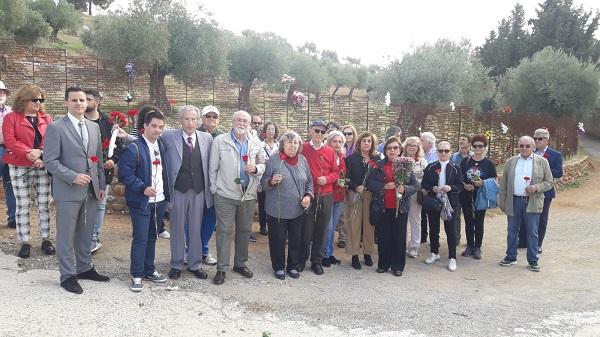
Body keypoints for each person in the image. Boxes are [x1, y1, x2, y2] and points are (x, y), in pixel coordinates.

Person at [44, 85, 109, 294]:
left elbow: (98, 160)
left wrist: (99, 186)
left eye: (82, 100)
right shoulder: (56, 128)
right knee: (66, 234)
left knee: (86, 232)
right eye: (74, 100)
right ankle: (67, 275)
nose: (79, 103)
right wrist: (73, 177)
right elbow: (50, 162)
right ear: (66, 103)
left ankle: (84, 267)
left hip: (91, 191)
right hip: (67, 191)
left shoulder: (93, 127)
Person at [209, 110, 266, 285]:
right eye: (239, 120)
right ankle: (222, 268)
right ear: (233, 121)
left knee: (244, 230)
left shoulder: (256, 142)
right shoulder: (220, 141)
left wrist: (256, 169)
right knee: (224, 231)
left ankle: (240, 264)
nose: (242, 123)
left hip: (247, 194)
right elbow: (213, 168)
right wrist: (214, 189)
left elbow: (264, 163)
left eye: (245, 121)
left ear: (249, 124)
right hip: (225, 193)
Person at [117, 109, 169, 291]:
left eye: (161, 127)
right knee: (140, 237)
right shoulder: (134, 148)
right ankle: (136, 273)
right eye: (154, 126)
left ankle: (149, 269)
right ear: (144, 127)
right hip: (141, 201)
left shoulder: (161, 145)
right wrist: (142, 187)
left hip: (160, 199)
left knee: (152, 237)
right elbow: (125, 174)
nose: (157, 130)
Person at [161, 105, 213, 280]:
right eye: (186, 119)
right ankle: (176, 264)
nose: (190, 123)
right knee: (176, 228)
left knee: (196, 227)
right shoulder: (168, 136)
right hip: (178, 189)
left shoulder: (207, 138)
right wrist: (124, 135)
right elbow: (149, 139)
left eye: (193, 119)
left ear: (198, 121)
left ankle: (195, 264)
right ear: (180, 120)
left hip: (199, 190)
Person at [2, 84, 54, 259]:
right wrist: (30, 154)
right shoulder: (11, 118)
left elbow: (51, 140)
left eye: (41, 99)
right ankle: (25, 242)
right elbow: (10, 141)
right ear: (23, 99)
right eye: (34, 99)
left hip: (42, 165)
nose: (38, 102)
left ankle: (46, 239)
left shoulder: (47, 118)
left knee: (44, 204)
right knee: (23, 205)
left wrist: (40, 153)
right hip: (18, 165)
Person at [260, 131, 313, 280]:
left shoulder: (303, 160)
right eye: (289, 142)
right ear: (283, 144)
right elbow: (263, 184)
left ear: (299, 145)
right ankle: (278, 266)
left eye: (295, 142)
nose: (292, 145)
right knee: (278, 238)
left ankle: (293, 265)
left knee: (296, 238)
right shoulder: (273, 161)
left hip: (298, 209)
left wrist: (308, 196)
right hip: (277, 209)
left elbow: (309, 182)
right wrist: (271, 181)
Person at [499, 136, 553, 272]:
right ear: (518, 146)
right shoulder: (511, 162)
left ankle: (533, 260)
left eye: (527, 146)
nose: (524, 148)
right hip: (514, 200)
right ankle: (511, 257)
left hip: (532, 201)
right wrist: (502, 201)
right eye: (521, 145)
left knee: (532, 232)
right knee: (512, 231)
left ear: (533, 147)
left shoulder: (542, 162)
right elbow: (504, 184)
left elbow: (549, 182)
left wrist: (536, 188)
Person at [366, 137, 418, 276]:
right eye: (389, 148)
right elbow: (370, 183)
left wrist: (404, 189)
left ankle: (397, 266)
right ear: (385, 150)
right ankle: (383, 263)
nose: (392, 150)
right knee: (384, 237)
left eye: (395, 148)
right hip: (383, 207)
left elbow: (415, 185)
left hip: (400, 207)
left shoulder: (405, 165)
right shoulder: (378, 165)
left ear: (400, 150)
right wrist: (384, 186)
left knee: (399, 237)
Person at [84, 88, 123, 253]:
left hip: (102, 172)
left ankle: (93, 239)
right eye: (82, 99)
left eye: (88, 99)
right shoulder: (77, 120)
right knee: (82, 205)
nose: (84, 102)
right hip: (82, 170)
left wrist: (112, 161)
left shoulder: (107, 122)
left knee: (99, 205)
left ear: (98, 102)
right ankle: (81, 237)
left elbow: (118, 146)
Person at [300, 120, 340, 275]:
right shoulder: (302, 148)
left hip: (326, 194)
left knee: (322, 229)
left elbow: (336, 172)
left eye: (323, 132)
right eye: (317, 131)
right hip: (308, 194)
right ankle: (302, 259)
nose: (319, 134)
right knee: (306, 229)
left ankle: (317, 261)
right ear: (310, 131)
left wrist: (328, 179)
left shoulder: (330, 151)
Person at [421, 141, 463, 272]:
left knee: (451, 230)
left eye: (446, 151)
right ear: (437, 152)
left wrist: (450, 187)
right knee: (433, 228)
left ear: (450, 152)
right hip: (434, 202)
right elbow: (424, 183)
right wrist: (432, 188)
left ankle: (452, 258)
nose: (443, 153)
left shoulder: (456, 167)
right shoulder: (431, 166)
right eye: (440, 151)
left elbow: (460, 185)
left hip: (450, 203)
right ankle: (434, 253)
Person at [459, 134, 497, 260]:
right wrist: (464, 185)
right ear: (472, 146)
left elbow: (494, 179)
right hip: (467, 195)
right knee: (469, 221)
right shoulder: (466, 161)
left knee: (479, 222)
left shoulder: (489, 163)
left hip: (481, 196)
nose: (478, 148)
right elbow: (460, 177)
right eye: (475, 146)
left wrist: (483, 183)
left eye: (480, 146)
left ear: (485, 147)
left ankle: (478, 248)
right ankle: (470, 246)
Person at [345, 132, 378, 269]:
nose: (366, 143)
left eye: (369, 141)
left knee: (369, 225)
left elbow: (379, 178)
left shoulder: (377, 159)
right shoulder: (352, 158)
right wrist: (354, 186)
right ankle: (354, 255)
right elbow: (345, 178)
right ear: (359, 143)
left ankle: (368, 253)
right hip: (355, 195)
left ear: (372, 143)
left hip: (371, 195)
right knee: (354, 225)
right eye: (364, 140)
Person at [195, 105, 223, 265]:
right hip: (197, 183)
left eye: (215, 117)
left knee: (210, 218)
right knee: (192, 218)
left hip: (216, 184)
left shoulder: (223, 136)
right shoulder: (194, 133)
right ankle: (189, 250)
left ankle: (204, 249)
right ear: (202, 118)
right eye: (208, 116)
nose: (211, 119)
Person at [529, 128, 562, 254]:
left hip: (546, 191)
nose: (537, 141)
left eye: (540, 138)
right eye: (535, 138)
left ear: (547, 140)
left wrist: (544, 169)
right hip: (529, 190)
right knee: (526, 216)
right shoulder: (529, 152)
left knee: (542, 218)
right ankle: (524, 241)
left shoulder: (555, 155)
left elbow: (559, 173)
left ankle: (538, 244)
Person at [322, 130, 346, 268]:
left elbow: (342, 175)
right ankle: (324, 254)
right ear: (329, 141)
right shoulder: (325, 155)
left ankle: (330, 254)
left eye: (340, 142)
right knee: (328, 227)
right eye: (334, 141)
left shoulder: (342, 157)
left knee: (332, 229)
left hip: (340, 196)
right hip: (328, 195)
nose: (337, 144)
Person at [401, 136, 428, 258]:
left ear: (418, 148)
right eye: (409, 145)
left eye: (414, 145)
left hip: (415, 195)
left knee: (415, 220)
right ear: (405, 146)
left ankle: (414, 247)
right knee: (401, 221)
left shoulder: (422, 162)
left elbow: (426, 178)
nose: (412, 147)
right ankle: (401, 245)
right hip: (401, 194)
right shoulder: (399, 160)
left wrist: (416, 183)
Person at [335, 124, 357, 248]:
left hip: (354, 184)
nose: (347, 136)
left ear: (354, 135)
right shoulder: (340, 149)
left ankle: (354, 236)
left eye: (350, 133)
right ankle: (342, 237)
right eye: (345, 133)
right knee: (343, 212)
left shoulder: (357, 149)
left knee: (354, 211)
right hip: (342, 183)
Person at [257, 121, 279, 236]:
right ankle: (262, 225)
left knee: (273, 201)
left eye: (272, 129)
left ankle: (272, 225)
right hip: (262, 177)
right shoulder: (259, 145)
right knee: (262, 202)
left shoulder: (279, 146)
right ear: (265, 131)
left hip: (275, 178)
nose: (271, 131)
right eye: (269, 129)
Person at [0, 80, 16, 229]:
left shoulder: (11, 112)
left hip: (7, 149)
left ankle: (13, 218)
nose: (0, 95)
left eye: (2, 92)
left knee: (9, 183)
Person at [450, 134, 472, 245]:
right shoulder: (454, 156)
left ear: (469, 143)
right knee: (456, 215)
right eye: (460, 139)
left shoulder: (473, 156)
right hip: (457, 190)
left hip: (470, 191)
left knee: (470, 215)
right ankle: (456, 238)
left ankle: (470, 240)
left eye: (464, 139)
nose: (461, 141)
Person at [419, 131, 438, 244]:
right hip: (422, 188)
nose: (420, 142)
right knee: (421, 213)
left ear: (429, 142)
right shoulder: (422, 153)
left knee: (432, 214)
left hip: (433, 189)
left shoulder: (437, 153)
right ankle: (423, 236)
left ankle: (434, 239)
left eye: (422, 140)